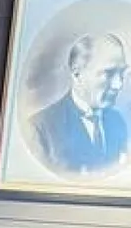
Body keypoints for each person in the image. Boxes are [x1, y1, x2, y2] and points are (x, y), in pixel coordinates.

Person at [25, 32, 129, 176]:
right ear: (77, 74)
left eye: (122, 73)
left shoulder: (118, 123)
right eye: (108, 73)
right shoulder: (40, 128)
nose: (118, 85)